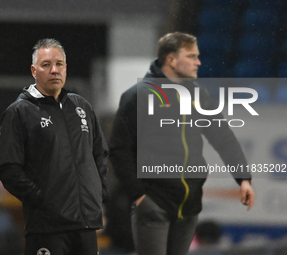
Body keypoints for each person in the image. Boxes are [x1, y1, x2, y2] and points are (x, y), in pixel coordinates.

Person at [108, 32, 255, 255]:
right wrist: (139, 195)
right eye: (191, 56)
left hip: (189, 205)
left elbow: (222, 136)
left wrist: (243, 178)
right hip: (153, 203)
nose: (198, 62)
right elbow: (119, 149)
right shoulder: (138, 95)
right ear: (171, 60)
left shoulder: (199, 95)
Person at [0, 38, 109, 255]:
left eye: (59, 64)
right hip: (47, 227)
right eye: (46, 64)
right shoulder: (19, 112)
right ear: (34, 70)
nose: (54, 70)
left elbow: (99, 154)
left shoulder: (82, 107)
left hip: (86, 224)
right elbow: (8, 168)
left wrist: (98, 195)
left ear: (66, 68)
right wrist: (42, 198)